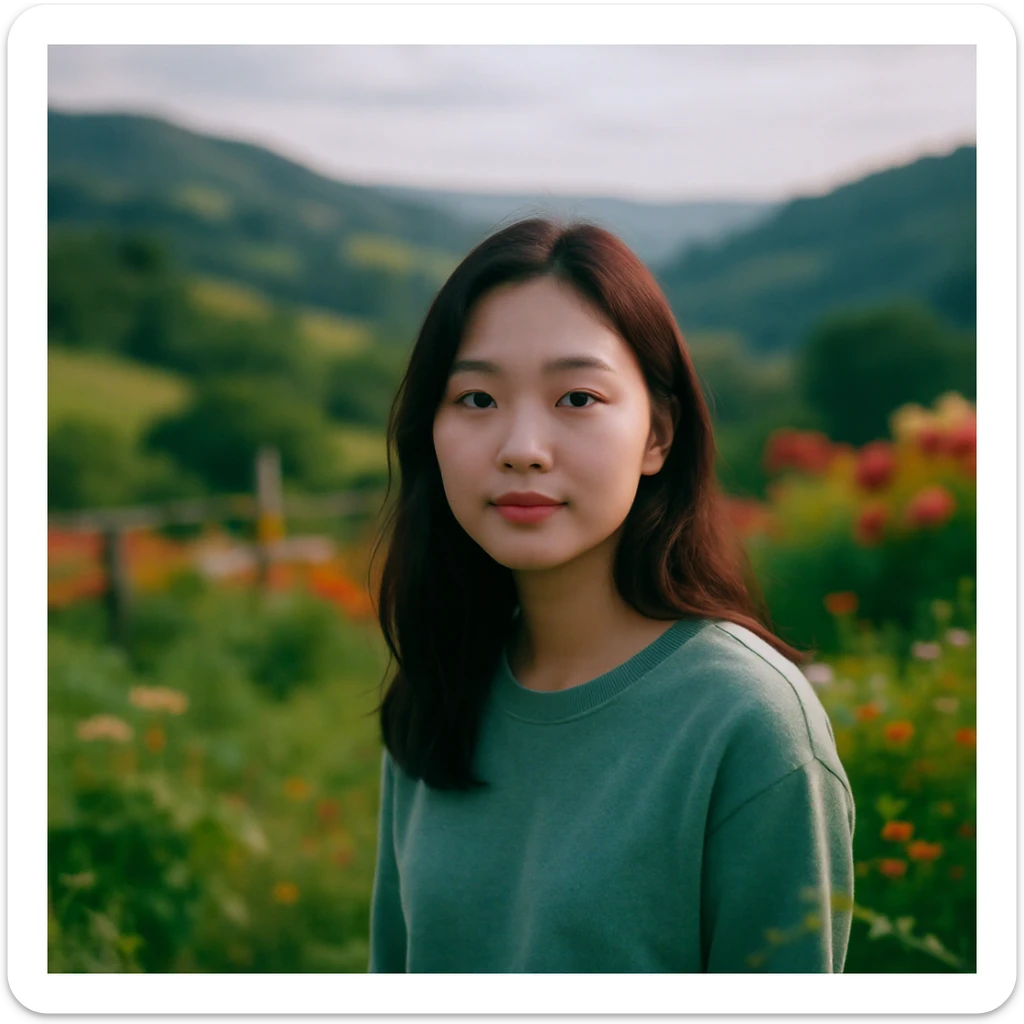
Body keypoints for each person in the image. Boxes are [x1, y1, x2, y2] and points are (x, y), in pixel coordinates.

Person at [366, 217, 855, 973]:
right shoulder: (442, 683)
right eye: (476, 399)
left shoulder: (748, 725)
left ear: (658, 434)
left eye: (578, 398)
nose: (522, 447)